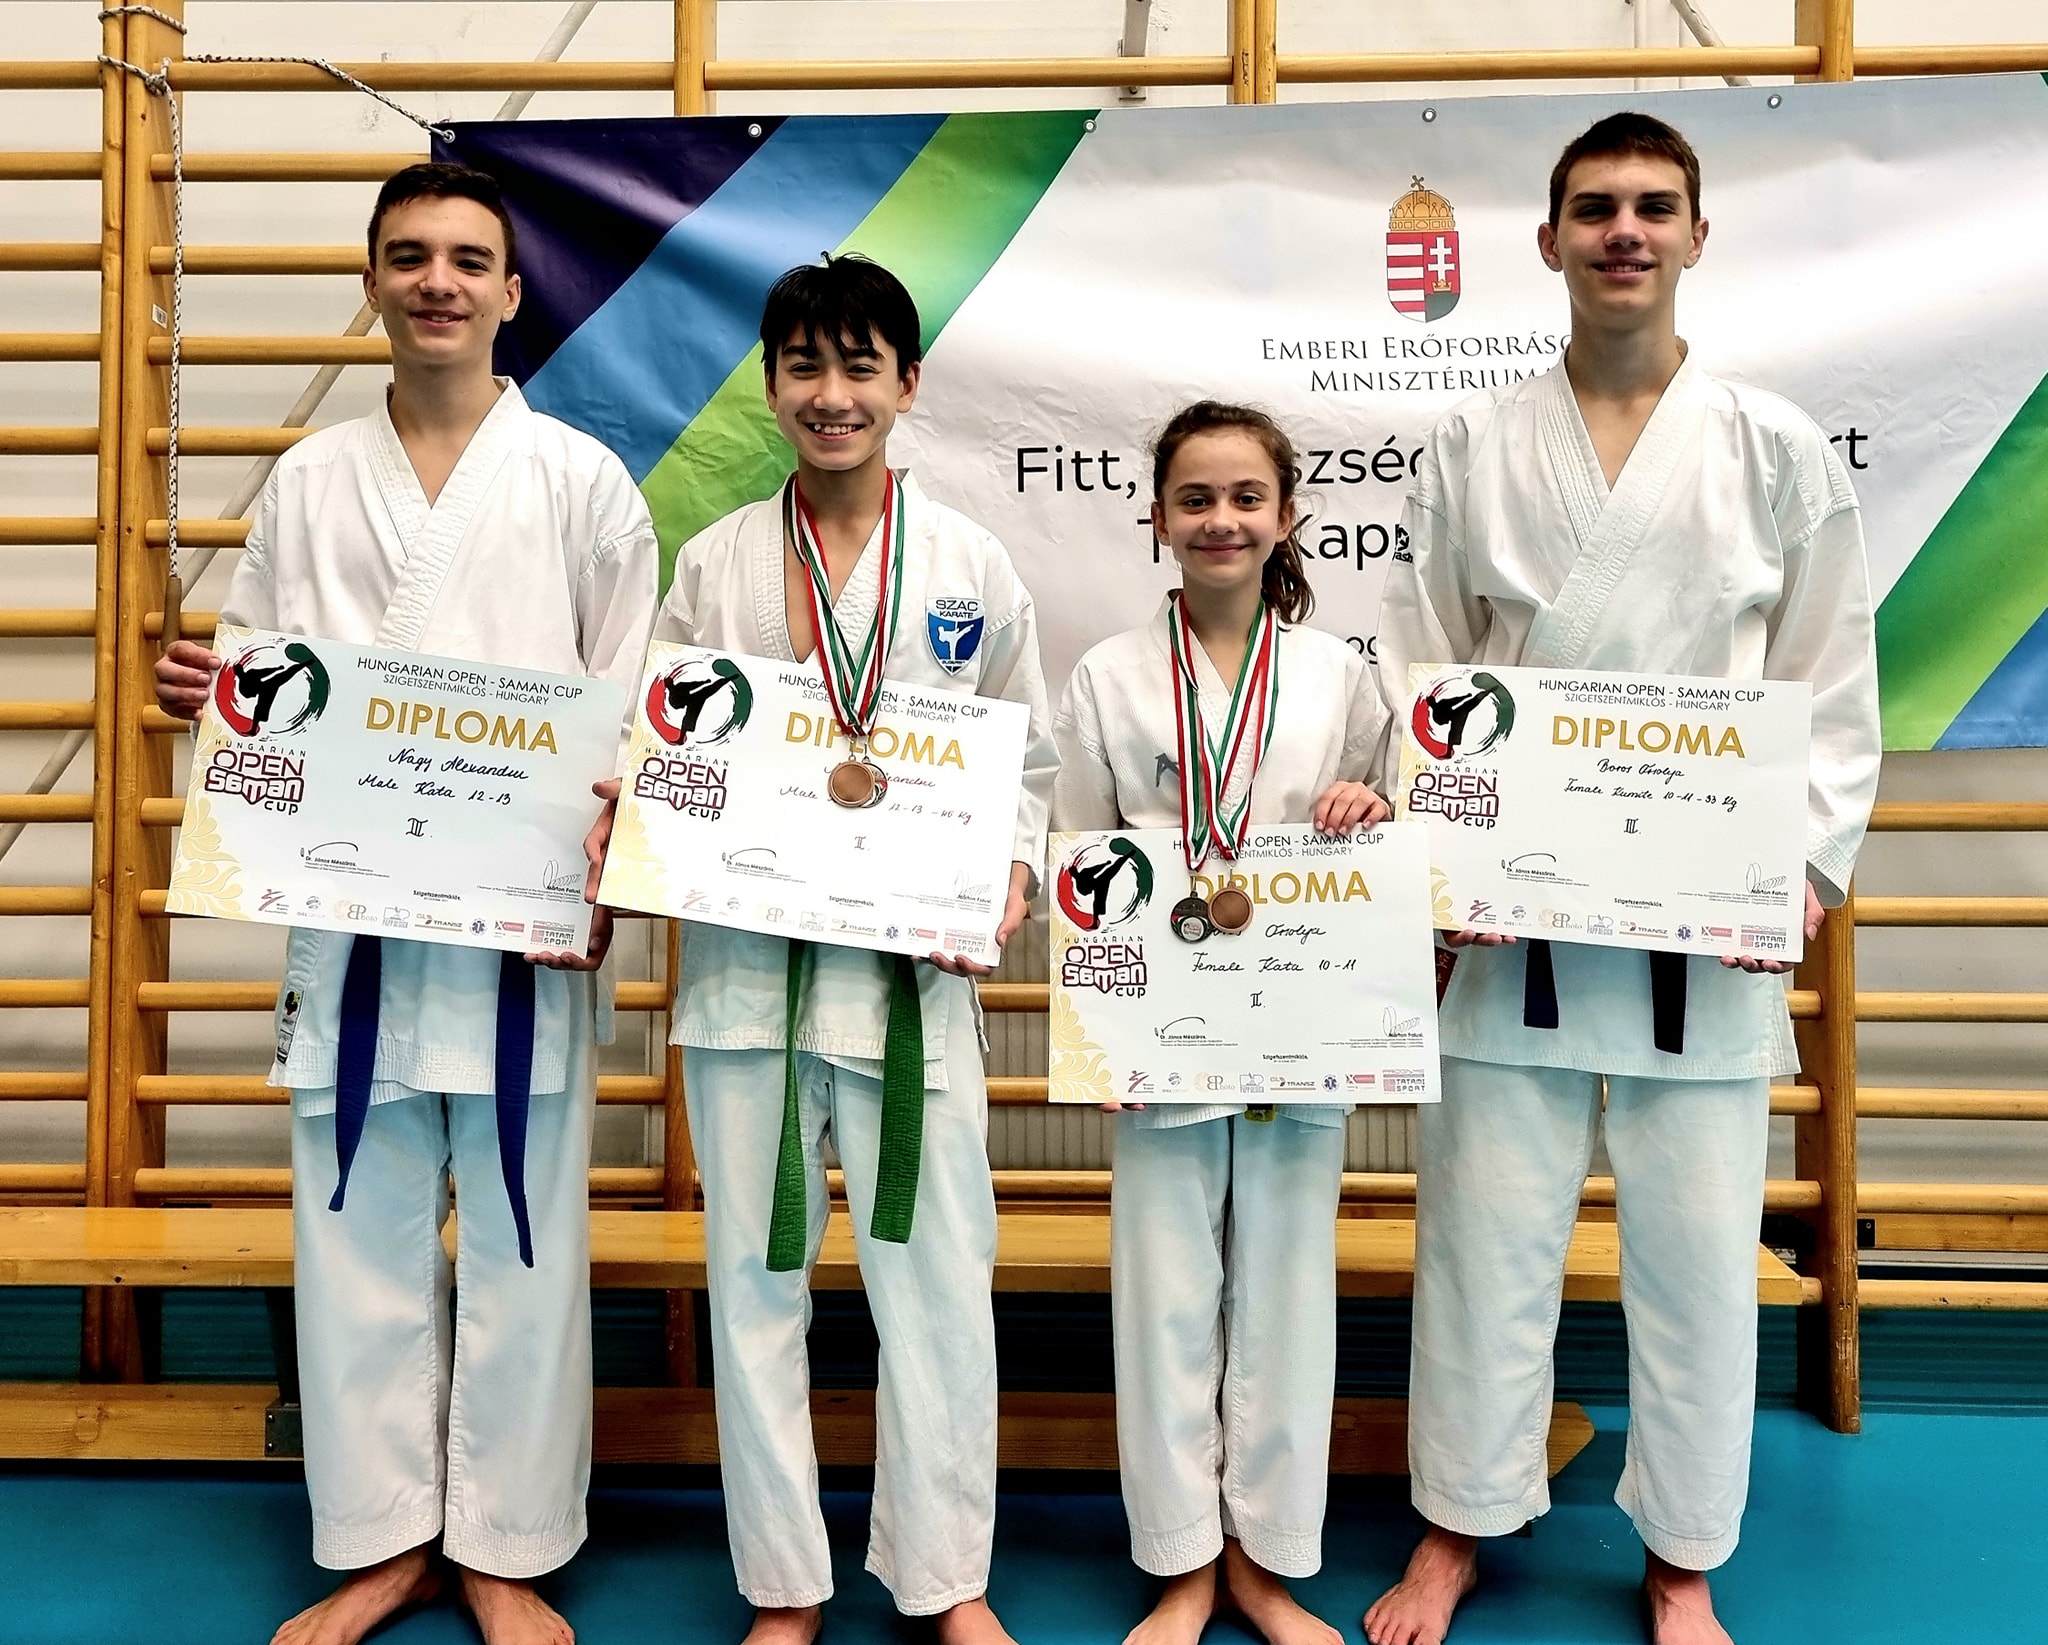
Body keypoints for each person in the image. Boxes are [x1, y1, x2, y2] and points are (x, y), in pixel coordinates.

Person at [1362, 113, 1880, 1645]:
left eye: (1656, 207)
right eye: (1595, 209)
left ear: (1699, 236)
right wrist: (1440, 852)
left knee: (1702, 1263)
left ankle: (1681, 1555)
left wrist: (1798, 869)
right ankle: (1458, 1524)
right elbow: (1423, 662)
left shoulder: (1774, 450)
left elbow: (1829, 678)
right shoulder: (1472, 444)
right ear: (1550, 241)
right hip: (1510, 922)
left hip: (1700, 934)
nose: (1625, 232)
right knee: (1481, 1246)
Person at [154, 162, 658, 1645]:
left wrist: (608, 850)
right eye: (410, 255)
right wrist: (220, 699)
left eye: (467, 259)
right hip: (354, 917)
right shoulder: (310, 481)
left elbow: (629, 705)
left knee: (524, 1234)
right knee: (353, 1231)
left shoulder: (582, 482)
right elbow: (266, 687)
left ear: (512, 292)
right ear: (371, 280)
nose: (439, 280)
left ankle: (505, 1546)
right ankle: (381, 1541)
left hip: (520, 923)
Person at [583, 254, 1055, 1645]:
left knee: (939, 1289)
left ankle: (945, 1578)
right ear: (771, 384)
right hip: (749, 980)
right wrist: (639, 800)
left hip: (913, 987)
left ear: (908, 384)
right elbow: (665, 741)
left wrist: (1010, 870)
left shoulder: (969, 563)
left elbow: (1023, 759)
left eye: (860, 365)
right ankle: (784, 1585)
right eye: (804, 365)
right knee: (754, 1288)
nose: (831, 393)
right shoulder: (718, 561)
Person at [1052, 402, 1391, 1645]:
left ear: (1287, 516)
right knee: (1162, 1299)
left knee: (1289, 1297)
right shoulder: (1105, 675)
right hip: (1164, 1029)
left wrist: (1366, 806)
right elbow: (1078, 857)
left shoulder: (1339, 675)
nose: (1220, 520)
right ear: (1156, 518)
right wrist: (1097, 1024)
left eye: (1246, 498)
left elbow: (1386, 825)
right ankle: (1181, 1564)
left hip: (1300, 1021)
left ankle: (1265, 1562)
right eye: (1194, 499)